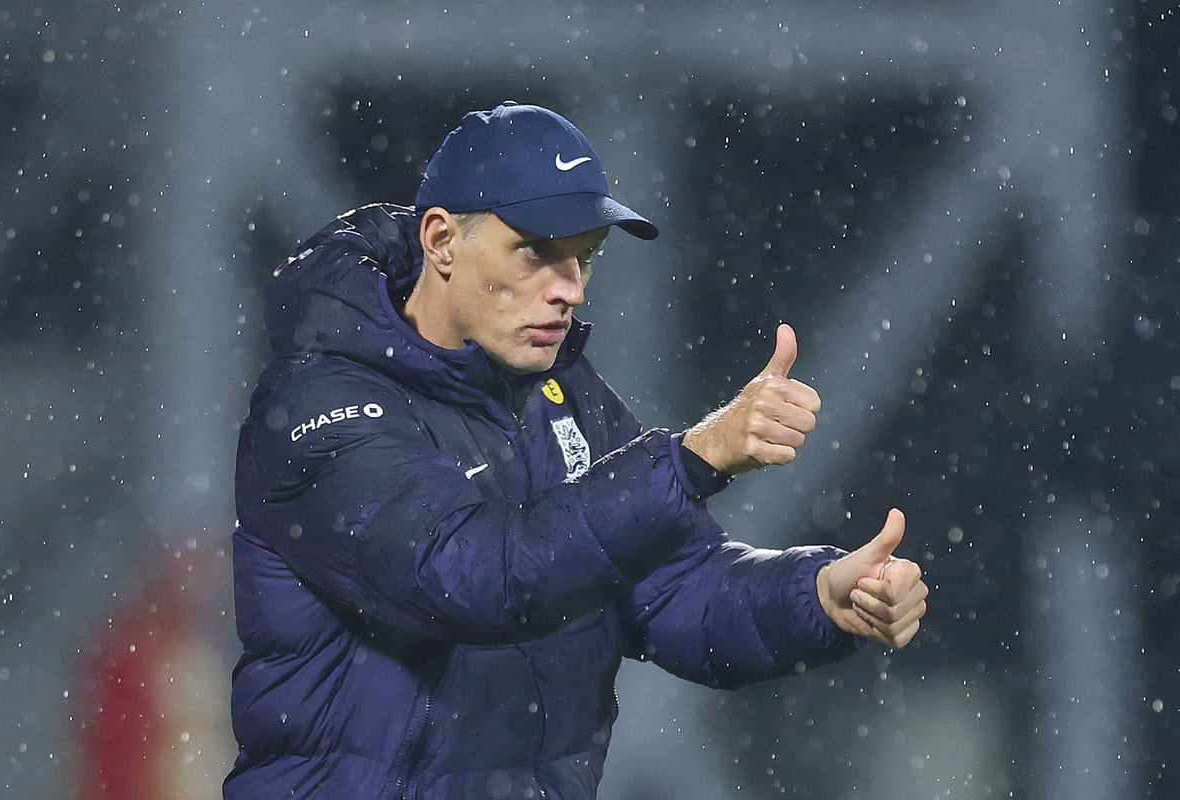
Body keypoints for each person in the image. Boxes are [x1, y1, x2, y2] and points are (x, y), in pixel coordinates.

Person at [226, 101, 928, 800]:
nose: (571, 290)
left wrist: (818, 594)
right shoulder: (320, 406)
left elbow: (675, 587)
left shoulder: (562, 393)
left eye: (585, 256)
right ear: (440, 241)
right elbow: (473, 578)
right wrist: (693, 457)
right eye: (537, 251)